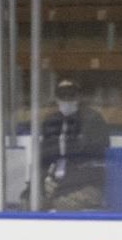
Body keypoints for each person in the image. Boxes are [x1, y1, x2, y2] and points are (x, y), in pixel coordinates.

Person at [36, 77, 113, 211]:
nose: (66, 99)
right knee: (29, 202)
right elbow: (43, 159)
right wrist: (38, 185)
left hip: (86, 184)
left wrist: (63, 185)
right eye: (62, 95)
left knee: (61, 205)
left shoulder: (92, 120)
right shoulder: (51, 122)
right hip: (54, 183)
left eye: (70, 94)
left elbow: (96, 159)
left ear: (79, 96)